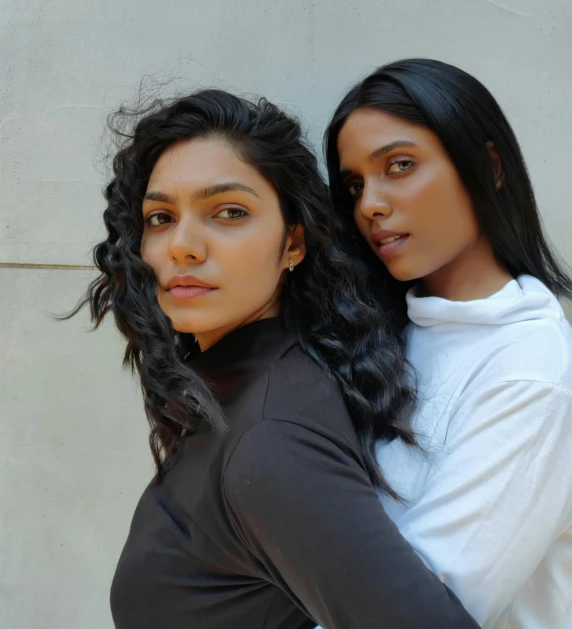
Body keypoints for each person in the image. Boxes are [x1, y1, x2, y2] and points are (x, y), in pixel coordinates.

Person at [68, 89, 479, 629]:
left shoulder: (271, 438)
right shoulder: (238, 392)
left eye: (229, 212)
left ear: (293, 243)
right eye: (161, 217)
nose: (183, 246)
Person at [324, 58, 572, 629]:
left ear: (488, 166)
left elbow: (428, 603)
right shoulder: (390, 335)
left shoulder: (529, 372)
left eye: (400, 165)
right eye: (355, 185)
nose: (370, 206)